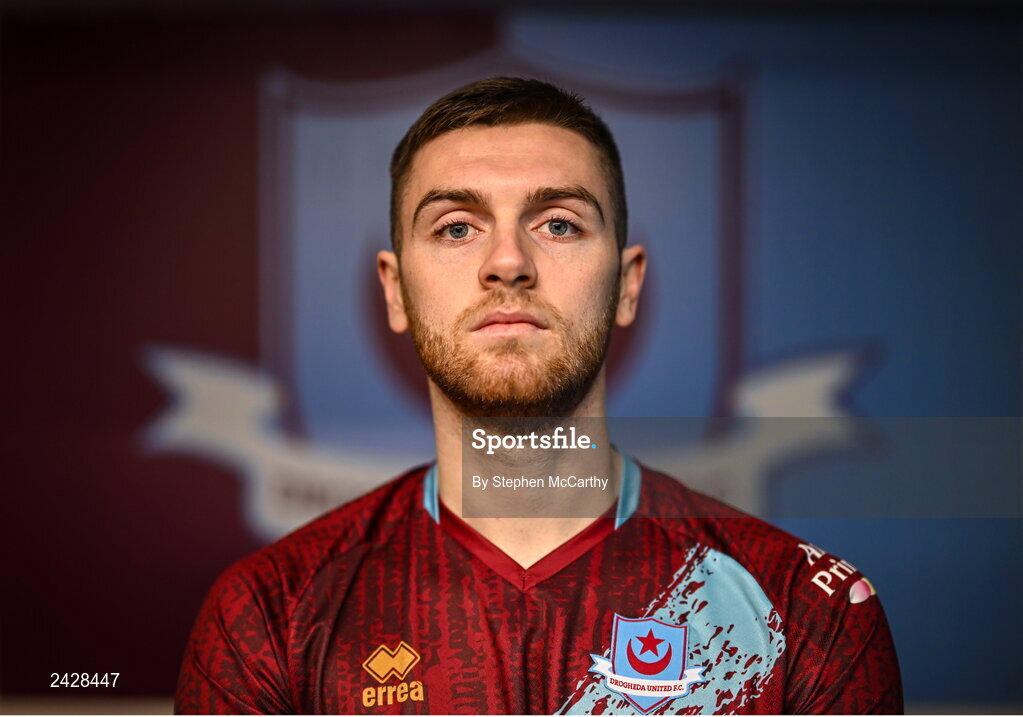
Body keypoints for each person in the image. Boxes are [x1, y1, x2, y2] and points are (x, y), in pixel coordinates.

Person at [175, 77, 902, 715]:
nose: (508, 262)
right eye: (456, 227)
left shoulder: (806, 611)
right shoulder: (269, 612)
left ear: (627, 283)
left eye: (558, 222)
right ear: (395, 290)